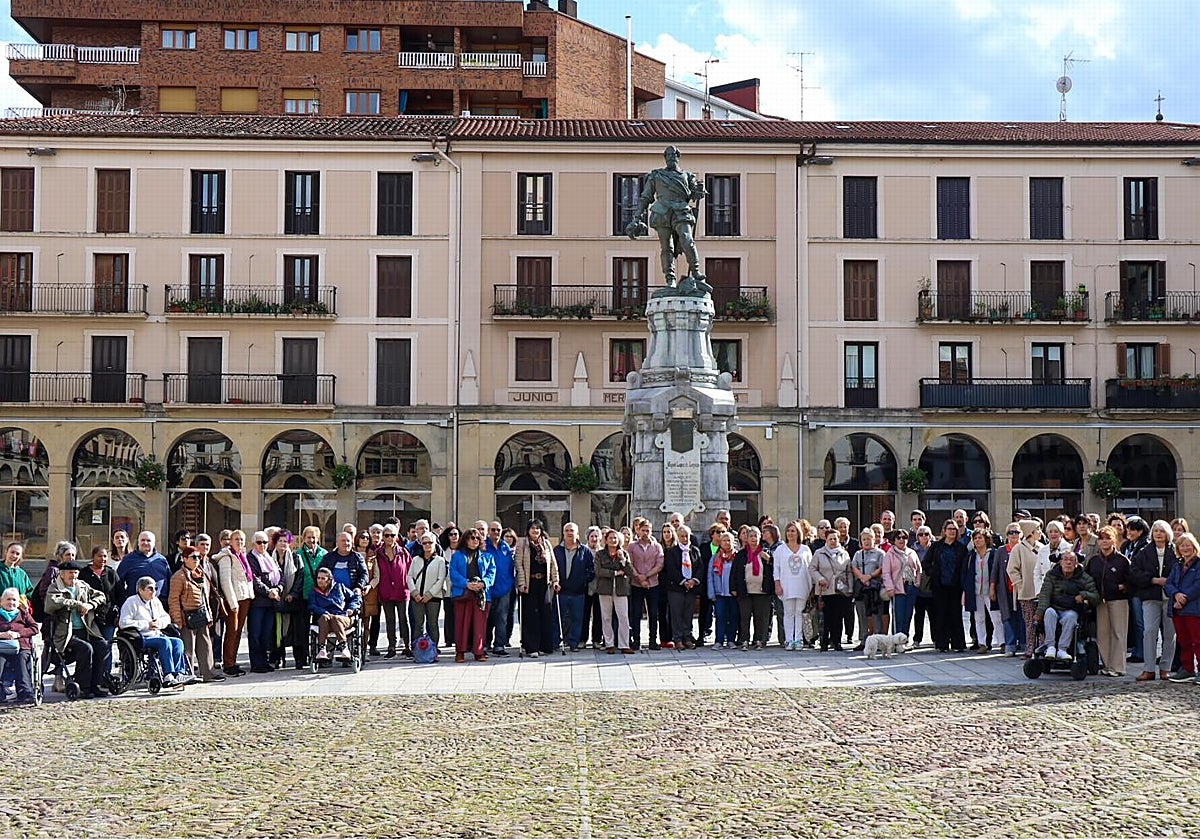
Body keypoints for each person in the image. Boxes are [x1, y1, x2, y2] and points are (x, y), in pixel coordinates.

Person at [625, 144, 710, 293]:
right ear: (665, 158)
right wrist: (636, 218)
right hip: (662, 212)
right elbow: (645, 197)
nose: (670, 157)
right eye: (668, 155)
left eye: (673, 155)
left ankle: (696, 272)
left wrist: (699, 191)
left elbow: (694, 195)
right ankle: (670, 279)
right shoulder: (656, 175)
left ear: (678, 157)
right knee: (667, 248)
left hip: (681, 211)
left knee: (687, 240)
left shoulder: (687, 176)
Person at [45, 560, 110, 698]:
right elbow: (52, 603)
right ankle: (83, 687)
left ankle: (95, 685)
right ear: (62, 574)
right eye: (70, 573)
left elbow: (101, 596)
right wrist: (78, 604)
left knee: (102, 645)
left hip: (86, 629)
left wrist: (90, 605)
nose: (73, 576)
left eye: (75, 573)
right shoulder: (55, 587)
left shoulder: (82, 586)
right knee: (86, 648)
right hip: (66, 633)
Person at [1128, 519, 1177, 682]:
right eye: (1155, 531)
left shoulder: (1175, 551)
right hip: (1150, 596)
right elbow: (1134, 572)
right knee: (1149, 631)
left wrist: (1170, 582)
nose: (1158, 534)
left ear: (1167, 534)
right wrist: (1153, 580)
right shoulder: (1144, 551)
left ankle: (1165, 668)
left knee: (1170, 634)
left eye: (1161, 531)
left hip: (1170, 598)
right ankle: (1148, 669)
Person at [120, 575, 190, 686]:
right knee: (164, 642)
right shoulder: (131, 602)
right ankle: (168, 675)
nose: (154, 591)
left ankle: (179, 673)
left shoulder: (155, 601)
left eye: (155, 588)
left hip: (156, 634)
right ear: (141, 590)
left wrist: (159, 623)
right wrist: (146, 625)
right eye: (150, 588)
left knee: (178, 642)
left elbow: (166, 617)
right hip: (140, 637)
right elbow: (123, 623)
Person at [168, 545, 223, 683]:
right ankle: (188, 674)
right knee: (188, 648)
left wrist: (209, 615)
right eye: (193, 557)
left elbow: (205, 597)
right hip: (187, 617)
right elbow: (173, 600)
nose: (197, 559)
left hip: (201, 615)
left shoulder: (201, 574)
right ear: (184, 559)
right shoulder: (178, 577)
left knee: (205, 645)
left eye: (198, 557)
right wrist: (177, 619)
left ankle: (209, 673)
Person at [1035, 551, 1099, 660]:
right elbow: (1045, 594)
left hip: (1071, 610)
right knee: (1049, 613)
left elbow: (1096, 597)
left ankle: (1062, 649)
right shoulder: (1052, 575)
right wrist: (1039, 613)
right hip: (1054, 608)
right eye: (1065, 559)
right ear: (1060, 562)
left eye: (1072, 560)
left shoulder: (1085, 577)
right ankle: (1050, 647)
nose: (1068, 563)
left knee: (1071, 616)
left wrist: (1084, 595)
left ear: (1076, 563)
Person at [1087, 526, 1132, 677]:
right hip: (1100, 602)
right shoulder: (1094, 561)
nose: (1104, 541)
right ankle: (1107, 665)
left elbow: (1131, 580)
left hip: (1118, 600)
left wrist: (1123, 587)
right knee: (1103, 634)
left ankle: (1118, 667)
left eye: (1107, 538)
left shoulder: (1122, 560)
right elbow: (1087, 579)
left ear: (1114, 540)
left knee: (1118, 633)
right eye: (1101, 539)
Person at [449, 528, 496, 663]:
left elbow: (492, 572)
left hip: (481, 595)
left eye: (477, 538)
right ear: (466, 540)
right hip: (463, 594)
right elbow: (453, 573)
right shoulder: (457, 556)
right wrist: (466, 584)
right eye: (472, 538)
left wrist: (484, 583)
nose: (475, 540)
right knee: (461, 624)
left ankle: (479, 651)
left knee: (480, 625)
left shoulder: (487, 556)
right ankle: (460, 652)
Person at [515, 520, 559, 657]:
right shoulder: (523, 544)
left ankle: (544, 646)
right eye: (533, 528)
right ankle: (531, 647)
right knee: (531, 616)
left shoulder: (546, 544)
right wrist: (521, 582)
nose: (535, 531)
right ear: (528, 530)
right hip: (530, 583)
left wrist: (555, 581)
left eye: (538, 528)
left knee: (545, 614)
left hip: (544, 584)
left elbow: (553, 564)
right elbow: (519, 564)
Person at [925, 519, 968, 653]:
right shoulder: (936, 546)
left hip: (956, 586)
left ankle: (958, 644)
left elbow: (965, 565)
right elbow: (926, 562)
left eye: (954, 529)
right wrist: (932, 572)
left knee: (956, 614)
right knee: (941, 614)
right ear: (944, 531)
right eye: (949, 529)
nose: (952, 531)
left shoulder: (961, 547)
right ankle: (942, 644)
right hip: (940, 585)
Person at [215, 530, 254, 677]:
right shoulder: (226, 557)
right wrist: (232, 603)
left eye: (242, 540)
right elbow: (226, 581)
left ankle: (233, 660)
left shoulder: (241, 556)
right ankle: (228, 663)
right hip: (234, 600)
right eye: (236, 539)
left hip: (244, 597)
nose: (239, 542)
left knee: (238, 633)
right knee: (232, 632)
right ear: (231, 541)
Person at [246, 531, 285, 673]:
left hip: (271, 602)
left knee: (266, 634)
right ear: (253, 544)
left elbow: (281, 575)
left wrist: (278, 589)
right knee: (256, 633)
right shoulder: (251, 558)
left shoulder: (269, 557)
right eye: (259, 542)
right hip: (258, 602)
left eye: (265, 542)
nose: (262, 545)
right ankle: (257, 663)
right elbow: (255, 579)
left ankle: (265, 661)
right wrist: (269, 592)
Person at [731, 525, 774, 651]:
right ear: (747, 538)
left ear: (760, 537)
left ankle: (758, 640)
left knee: (760, 617)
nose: (753, 538)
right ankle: (744, 640)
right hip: (745, 591)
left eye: (756, 536)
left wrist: (769, 560)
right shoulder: (741, 554)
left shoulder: (766, 552)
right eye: (751, 536)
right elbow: (734, 572)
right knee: (745, 617)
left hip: (762, 591)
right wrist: (733, 588)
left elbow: (775, 570)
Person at [1164, 532, 1200, 683]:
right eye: (1182, 546)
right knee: (1184, 641)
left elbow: (1198, 585)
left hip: (1195, 609)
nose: (1185, 548)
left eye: (1188, 545)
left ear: (1194, 547)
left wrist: (1184, 598)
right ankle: (1187, 669)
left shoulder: (1198, 564)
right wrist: (1176, 594)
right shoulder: (1177, 565)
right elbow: (1168, 584)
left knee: (1198, 640)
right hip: (1178, 609)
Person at [554, 523, 595, 652]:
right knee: (557, 618)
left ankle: (573, 643)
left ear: (577, 534)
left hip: (578, 592)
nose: (569, 533)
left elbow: (591, 570)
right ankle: (555, 642)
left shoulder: (585, 551)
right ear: (563, 533)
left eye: (572, 530)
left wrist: (583, 581)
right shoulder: (557, 550)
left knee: (577, 619)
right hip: (561, 591)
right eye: (567, 530)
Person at [773, 521, 813, 651]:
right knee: (788, 613)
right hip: (786, 586)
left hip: (802, 585)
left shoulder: (805, 549)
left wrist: (811, 586)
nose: (790, 533)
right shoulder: (780, 549)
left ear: (798, 533)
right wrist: (777, 584)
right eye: (788, 531)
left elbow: (810, 568)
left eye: (793, 531)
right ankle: (789, 639)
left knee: (799, 612)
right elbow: (776, 568)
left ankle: (799, 639)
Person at [811, 528, 852, 652]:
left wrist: (850, 589)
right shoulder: (819, 553)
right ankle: (824, 642)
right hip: (825, 590)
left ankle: (837, 641)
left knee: (838, 618)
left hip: (840, 590)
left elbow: (849, 572)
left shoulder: (844, 553)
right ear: (826, 540)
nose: (833, 541)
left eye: (835, 538)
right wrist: (820, 578)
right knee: (825, 618)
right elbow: (812, 568)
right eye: (830, 539)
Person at [1006, 520, 1042, 659]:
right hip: (1026, 592)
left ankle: (1041, 648)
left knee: (1042, 621)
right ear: (1031, 532)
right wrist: (1020, 584)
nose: (1040, 532)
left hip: (1041, 592)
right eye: (1037, 530)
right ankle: (1030, 649)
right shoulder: (1019, 549)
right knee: (1029, 622)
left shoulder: (1042, 547)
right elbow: (1011, 569)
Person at [308, 567, 361, 662]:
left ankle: (344, 648)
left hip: (342, 617)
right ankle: (322, 649)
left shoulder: (340, 587)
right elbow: (312, 606)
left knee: (336, 618)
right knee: (324, 617)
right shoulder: (314, 592)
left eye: (323, 578)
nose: (320, 580)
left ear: (329, 580)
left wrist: (351, 608)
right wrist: (323, 612)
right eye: (318, 578)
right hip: (325, 620)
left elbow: (356, 598)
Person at [594, 529, 634, 654]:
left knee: (623, 617)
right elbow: (599, 571)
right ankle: (609, 644)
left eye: (615, 538)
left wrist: (622, 560)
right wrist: (615, 573)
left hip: (621, 590)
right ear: (606, 540)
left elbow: (630, 571)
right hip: (605, 590)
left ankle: (624, 644)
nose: (613, 540)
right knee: (606, 617)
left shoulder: (624, 553)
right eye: (610, 538)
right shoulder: (600, 554)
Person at [662, 524, 701, 650]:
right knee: (676, 614)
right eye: (682, 536)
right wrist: (683, 581)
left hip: (691, 587)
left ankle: (687, 638)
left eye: (687, 536)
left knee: (688, 614)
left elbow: (700, 567)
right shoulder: (672, 552)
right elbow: (671, 569)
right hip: (676, 587)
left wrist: (693, 581)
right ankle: (677, 639)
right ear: (678, 537)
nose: (685, 538)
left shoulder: (695, 550)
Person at [627, 517, 664, 651]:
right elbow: (629, 564)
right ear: (638, 531)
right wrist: (639, 578)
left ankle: (653, 640)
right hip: (636, 584)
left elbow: (659, 565)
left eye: (648, 530)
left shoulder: (657, 546)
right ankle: (636, 640)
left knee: (653, 614)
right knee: (636, 613)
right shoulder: (632, 546)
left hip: (653, 584)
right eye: (643, 530)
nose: (645, 533)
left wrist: (646, 576)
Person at [376, 524, 411, 659]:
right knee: (390, 620)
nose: (390, 538)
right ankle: (391, 646)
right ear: (383, 537)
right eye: (387, 535)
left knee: (404, 618)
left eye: (392, 535)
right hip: (386, 591)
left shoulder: (403, 552)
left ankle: (407, 646)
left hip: (402, 590)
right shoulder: (378, 553)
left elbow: (410, 570)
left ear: (397, 537)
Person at [408, 532, 447, 651]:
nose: (427, 545)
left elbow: (441, 579)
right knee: (418, 624)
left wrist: (429, 594)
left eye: (430, 542)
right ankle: (417, 650)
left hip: (433, 597)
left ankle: (433, 649)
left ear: (435, 544)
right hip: (417, 597)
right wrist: (414, 593)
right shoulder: (416, 559)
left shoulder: (440, 561)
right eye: (424, 543)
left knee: (432, 624)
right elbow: (409, 577)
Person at [964, 529, 1002, 652]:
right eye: (975, 538)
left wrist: (994, 587)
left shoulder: (993, 554)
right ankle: (982, 643)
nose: (977, 540)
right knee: (979, 618)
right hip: (975, 591)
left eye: (980, 538)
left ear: (986, 539)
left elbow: (997, 572)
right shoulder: (971, 555)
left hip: (990, 590)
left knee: (996, 617)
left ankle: (1002, 642)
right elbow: (966, 574)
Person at [0, 586, 39, 704]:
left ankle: (25, 692)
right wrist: (2, 634)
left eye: (14, 600)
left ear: (18, 602)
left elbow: (34, 628)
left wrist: (19, 634)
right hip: (2, 646)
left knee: (21, 659)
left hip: (22, 646)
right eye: (8, 599)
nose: (11, 602)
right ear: (1, 601)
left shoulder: (23, 614)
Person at [850, 528, 887, 649]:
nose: (866, 541)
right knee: (862, 614)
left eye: (869, 539)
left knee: (876, 613)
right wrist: (862, 577)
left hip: (875, 587)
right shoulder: (858, 554)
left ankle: (878, 640)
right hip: (861, 588)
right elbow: (854, 567)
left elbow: (882, 568)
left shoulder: (880, 553)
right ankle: (863, 640)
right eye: (864, 539)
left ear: (874, 539)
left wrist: (870, 576)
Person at [882, 529, 921, 643]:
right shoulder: (889, 554)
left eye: (904, 537)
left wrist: (917, 582)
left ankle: (905, 639)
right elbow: (886, 572)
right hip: (897, 588)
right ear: (894, 540)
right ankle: (896, 641)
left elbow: (919, 569)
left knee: (908, 615)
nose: (901, 540)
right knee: (898, 616)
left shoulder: (912, 552)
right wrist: (890, 587)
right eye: (898, 537)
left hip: (911, 586)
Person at [484, 521, 516, 655]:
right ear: (488, 531)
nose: (496, 532)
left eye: (498, 530)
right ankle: (485, 643)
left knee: (502, 618)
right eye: (493, 530)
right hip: (488, 588)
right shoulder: (484, 546)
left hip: (505, 587)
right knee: (487, 618)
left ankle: (499, 645)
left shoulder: (505, 546)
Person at [116, 531, 172, 602]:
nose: (145, 543)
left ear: (154, 543)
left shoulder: (161, 560)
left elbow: (170, 582)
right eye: (142, 540)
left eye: (148, 540)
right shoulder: (128, 560)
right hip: (137, 604)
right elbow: (118, 584)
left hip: (161, 604)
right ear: (138, 542)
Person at [707, 531, 739, 648]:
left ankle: (731, 640)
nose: (726, 543)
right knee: (720, 616)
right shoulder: (715, 557)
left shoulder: (737, 557)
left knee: (733, 616)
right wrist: (711, 594)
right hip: (720, 593)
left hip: (733, 593)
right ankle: (719, 641)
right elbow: (710, 576)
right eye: (724, 540)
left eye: (729, 540)